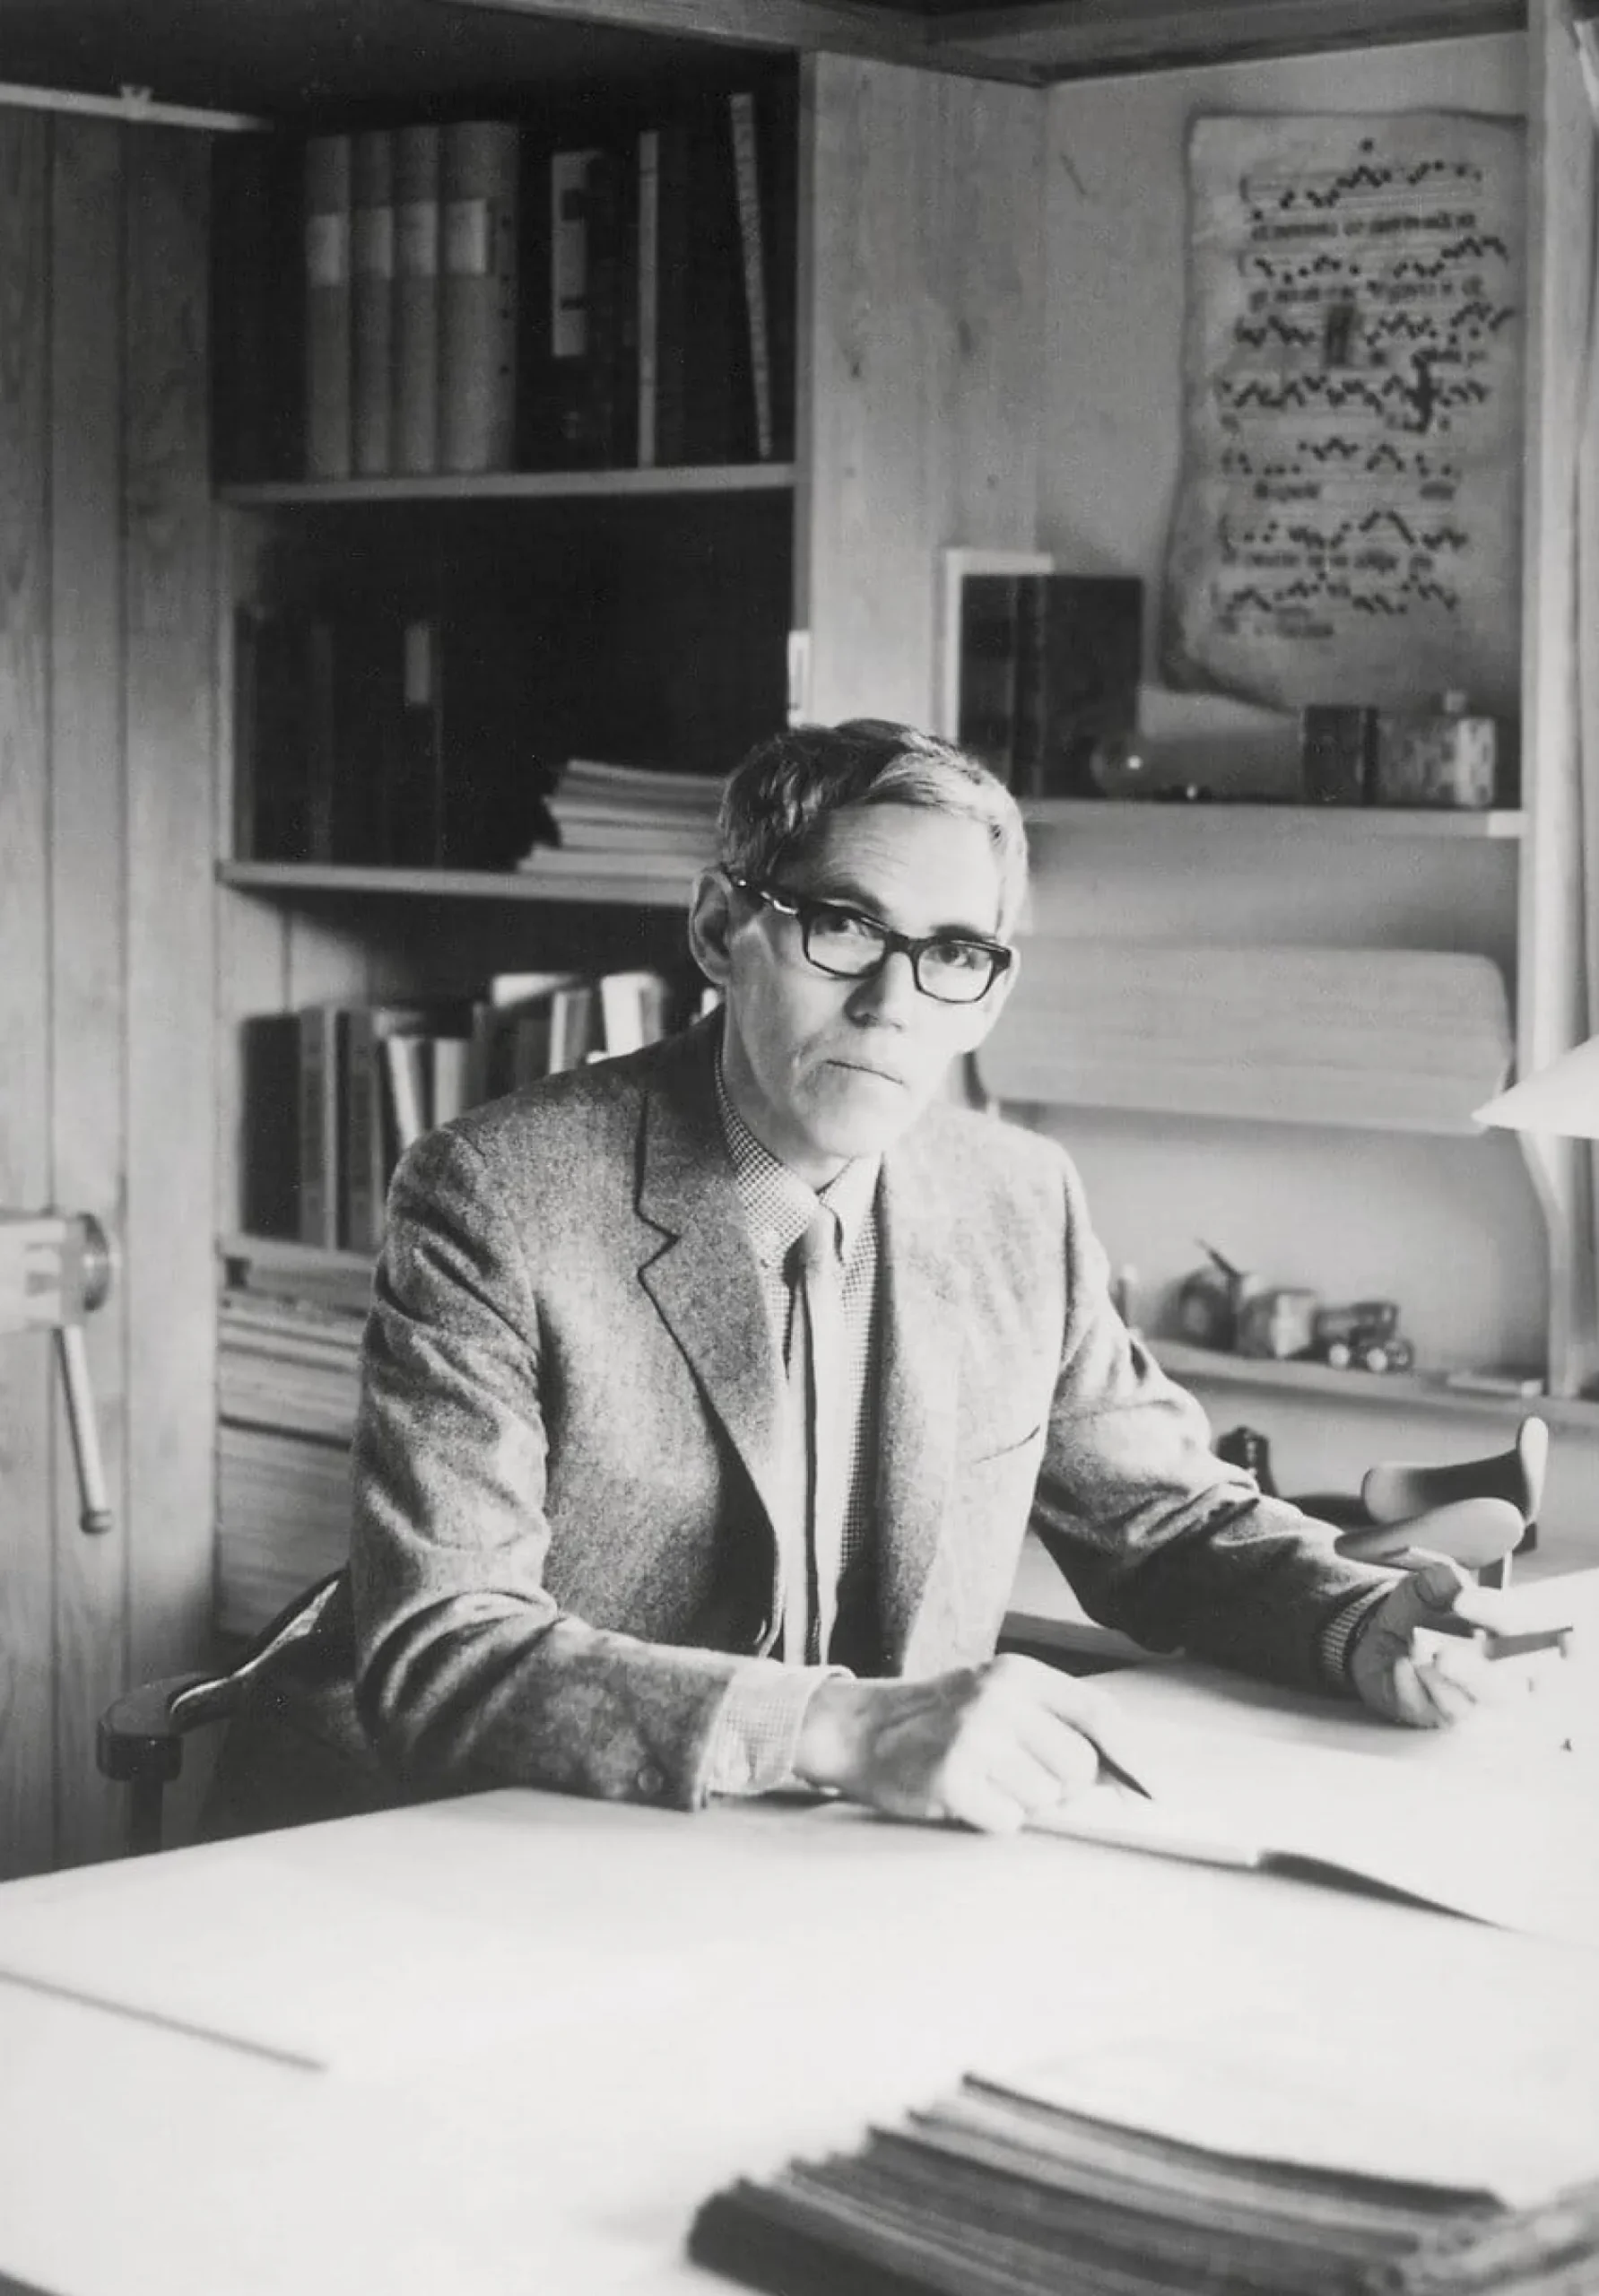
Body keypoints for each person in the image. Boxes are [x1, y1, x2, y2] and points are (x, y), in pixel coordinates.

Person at [304, 715, 1507, 1839]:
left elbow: (1167, 1527)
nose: (891, 1005)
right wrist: (844, 1730)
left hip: (870, 1863)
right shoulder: (499, 1195)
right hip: (541, 1850)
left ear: (990, 993)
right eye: (842, 927)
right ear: (720, 930)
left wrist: (1355, 1619)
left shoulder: (1019, 1199)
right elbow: (442, 1651)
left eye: (953, 954)